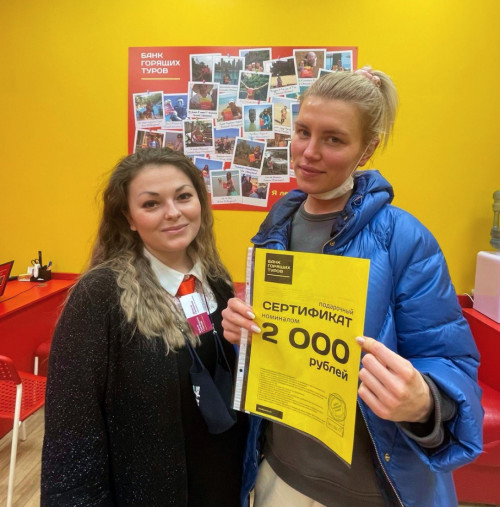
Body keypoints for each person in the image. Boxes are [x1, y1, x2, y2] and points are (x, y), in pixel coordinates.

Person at [221, 68, 483, 506]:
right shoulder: (275, 230)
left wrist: (423, 403)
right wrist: (242, 334)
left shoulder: (403, 238)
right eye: (303, 132)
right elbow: (275, 356)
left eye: (334, 139)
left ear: (368, 149)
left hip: (371, 490)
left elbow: (452, 363)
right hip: (278, 476)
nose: (309, 152)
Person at [41, 149, 248, 505]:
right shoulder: (101, 296)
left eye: (183, 197)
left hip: (222, 482)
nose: (173, 212)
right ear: (129, 218)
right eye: (151, 204)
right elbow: (71, 435)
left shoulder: (216, 282)